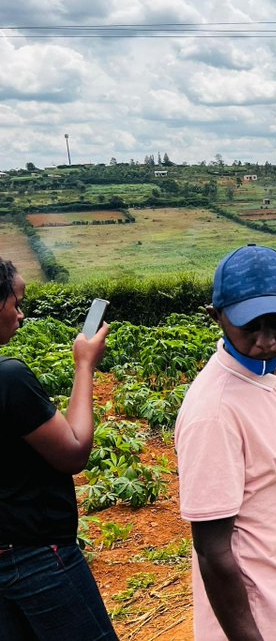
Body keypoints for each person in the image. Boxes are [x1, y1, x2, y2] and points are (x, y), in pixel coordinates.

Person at [175, 245, 276, 640]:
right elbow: (213, 551)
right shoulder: (214, 413)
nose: (266, 341)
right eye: (250, 326)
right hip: (264, 622)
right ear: (216, 317)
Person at [0, 259, 117, 641]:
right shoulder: (9, 379)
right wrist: (85, 365)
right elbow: (73, 452)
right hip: (35, 556)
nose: (20, 315)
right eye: (15, 303)